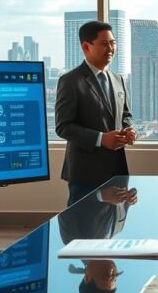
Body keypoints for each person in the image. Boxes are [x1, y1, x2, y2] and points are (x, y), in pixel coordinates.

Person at [55, 21, 136, 203]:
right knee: (83, 227)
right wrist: (101, 139)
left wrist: (129, 130)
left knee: (113, 227)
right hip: (85, 173)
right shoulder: (71, 81)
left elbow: (125, 116)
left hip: (117, 169)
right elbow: (63, 127)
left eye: (113, 43)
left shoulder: (118, 79)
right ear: (86, 46)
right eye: (104, 43)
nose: (110, 48)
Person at [59, 180, 138, 293]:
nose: (113, 271)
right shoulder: (118, 230)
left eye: (107, 276)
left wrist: (100, 195)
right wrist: (131, 197)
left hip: (90, 170)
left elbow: (66, 212)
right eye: (115, 276)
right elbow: (122, 202)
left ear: (87, 277)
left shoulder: (73, 244)